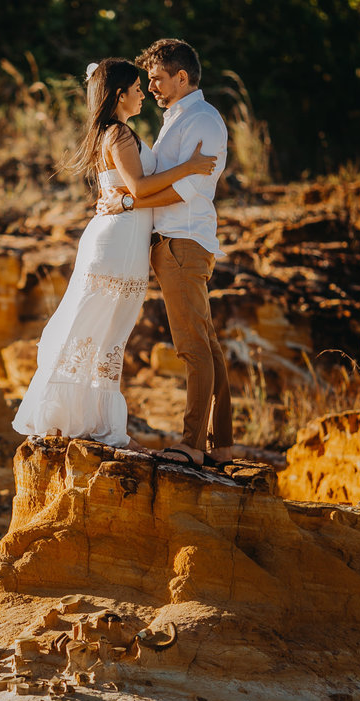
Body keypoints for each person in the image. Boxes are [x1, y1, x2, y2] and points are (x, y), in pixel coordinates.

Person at [12, 57, 217, 449]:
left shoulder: (117, 132)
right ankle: (62, 413)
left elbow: (133, 193)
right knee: (93, 324)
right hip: (117, 241)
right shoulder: (119, 134)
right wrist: (190, 167)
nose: (144, 93)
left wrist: (127, 200)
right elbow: (139, 187)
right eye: (138, 88)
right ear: (120, 95)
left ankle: (92, 418)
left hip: (126, 237)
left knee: (109, 331)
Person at [100, 38, 232, 467]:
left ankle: (193, 445)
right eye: (148, 80)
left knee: (192, 346)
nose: (151, 86)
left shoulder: (204, 122)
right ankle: (221, 444)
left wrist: (126, 202)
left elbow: (183, 190)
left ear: (181, 76)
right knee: (207, 346)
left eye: (157, 79)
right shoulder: (175, 119)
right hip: (171, 243)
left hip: (184, 242)